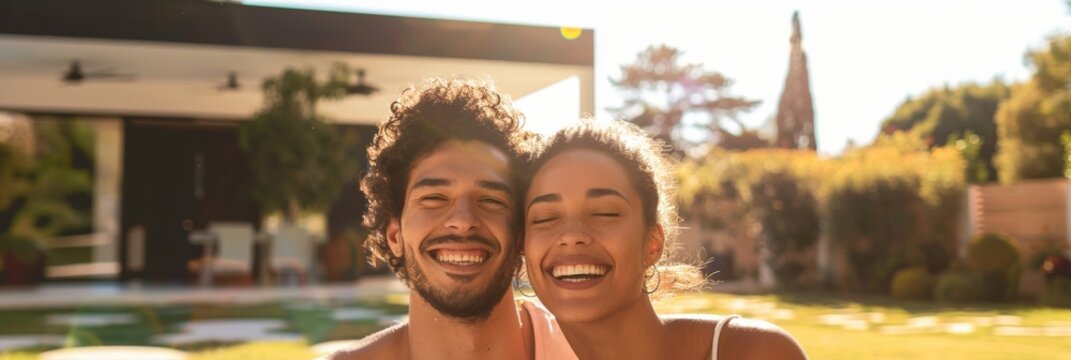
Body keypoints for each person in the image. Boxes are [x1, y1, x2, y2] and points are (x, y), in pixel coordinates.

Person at [326, 79, 575, 360]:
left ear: (519, 235)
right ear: (395, 235)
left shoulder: (587, 353)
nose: (463, 220)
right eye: (434, 199)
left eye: (490, 200)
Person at [522, 120, 807, 360]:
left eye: (605, 213)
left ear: (653, 243)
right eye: (545, 218)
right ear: (522, 248)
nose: (572, 236)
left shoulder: (754, 353)